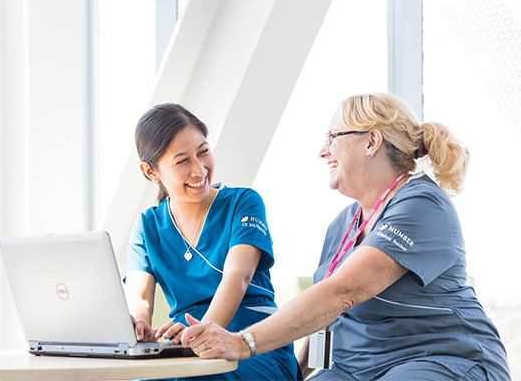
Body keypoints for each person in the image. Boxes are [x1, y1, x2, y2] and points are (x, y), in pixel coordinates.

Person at [181, 93, 511, 380]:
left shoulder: (421, 204)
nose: (323, 152)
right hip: (356, 369)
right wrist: (296, 374)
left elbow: (344, 291)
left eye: (332, 137)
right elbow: (326, 314)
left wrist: (243, 343)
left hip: (436, 358)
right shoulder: (343, 226)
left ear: (371, 141)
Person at [124, 103, 301, 380]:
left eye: (203, 152)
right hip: (186, 349)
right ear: (151, 171)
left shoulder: (243, 203)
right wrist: (139, 325)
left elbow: (237, 278)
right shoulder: (147, 226)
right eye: (182, 161)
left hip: (254, 344)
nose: (199, 169)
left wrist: (203, 332)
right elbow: (139, 298)